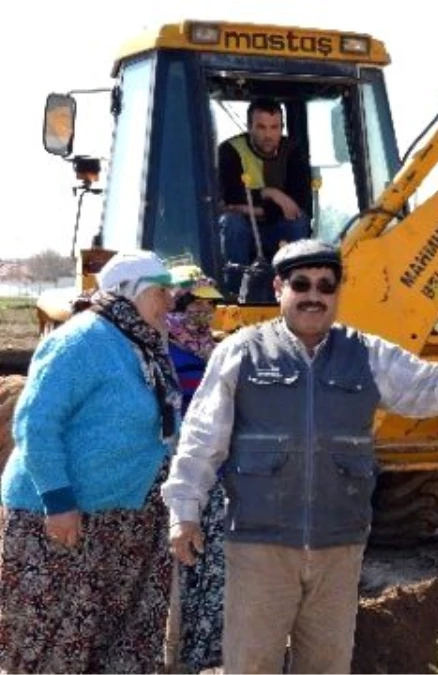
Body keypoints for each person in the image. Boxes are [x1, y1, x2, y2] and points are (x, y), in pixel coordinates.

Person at [161, 239, 438, 675]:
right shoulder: (242, 352)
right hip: (258, 542)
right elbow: (201, 437)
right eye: (301, 284)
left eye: (326, 286)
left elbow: (429, 387)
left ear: (338, 291)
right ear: (278, 288)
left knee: (327, 665)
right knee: (251, 663)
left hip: (337, 544)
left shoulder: (367, 353)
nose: (313, 295)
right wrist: (183, 511)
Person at [0, 250, 182, 672]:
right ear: (129, 293)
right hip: (64, 521)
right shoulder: (82, 339)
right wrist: (58, 501)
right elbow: (36, 423)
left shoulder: (141, 342)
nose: (170, 301)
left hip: (123, 518)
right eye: (161, 291)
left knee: (114, 639)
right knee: (54, 644)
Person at [164, 264, 227, 673]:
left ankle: (206, 652)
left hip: (215, 473)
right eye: (198, 304)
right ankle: (173, 654)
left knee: (213, 563)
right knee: (176, 568)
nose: (207, 313)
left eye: (211, 305)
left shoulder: (214, 350)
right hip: (174, 472)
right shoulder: (162, 349)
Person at [218, 97, 313, 293]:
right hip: (243, 232)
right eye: (261, 127)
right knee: (232, 222)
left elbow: (295, 206)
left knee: (298, 222)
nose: (268, 135)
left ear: (281, 128)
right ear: (249, 127)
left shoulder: (293, 152)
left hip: (276, 230)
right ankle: (235, 293)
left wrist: (248, 207)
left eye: (274, 127)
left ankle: (298, 288)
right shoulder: (230, 151)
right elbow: (229, 197)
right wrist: (271, 193)